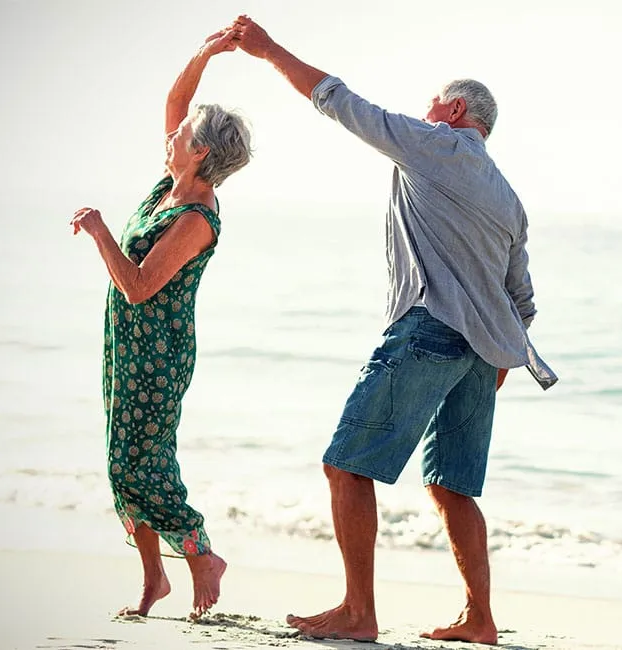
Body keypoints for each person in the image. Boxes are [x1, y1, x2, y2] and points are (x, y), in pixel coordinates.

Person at [230, 15, 555, 645]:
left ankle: (358, 611)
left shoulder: (436, 144)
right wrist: (494, 367)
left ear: (455, 109)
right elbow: (523, 300)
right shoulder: (509, 197)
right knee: (451, 485)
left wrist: (267, 50)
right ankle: (480, 619)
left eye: (432, 103)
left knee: (345, 467)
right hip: (482, 356)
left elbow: (341, 103)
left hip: (428, 330)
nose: (424, 111)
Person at [70, 28, 252, 619]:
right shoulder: (168, 187)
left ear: (200, 153)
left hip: (158, 350)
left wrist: (99, 232)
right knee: (120, 459)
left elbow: (141, 285)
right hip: (125, 343)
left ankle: (200, 552)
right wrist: (206, 53)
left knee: (138, 462)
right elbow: (177, 105)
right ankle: (154, 580)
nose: (171, 134)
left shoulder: (198, 214)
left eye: (183, 135)